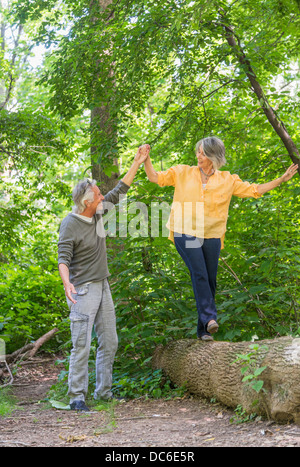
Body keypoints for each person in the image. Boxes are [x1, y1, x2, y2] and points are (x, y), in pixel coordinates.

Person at [142, 137, 298, 341]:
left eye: (202, 153)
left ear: (213, 156)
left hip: (212, 234)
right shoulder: (182, 172)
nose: (198, 156)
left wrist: (280, 180)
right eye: (198, 151)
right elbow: (155, 177)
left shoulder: (228, 180)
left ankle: (204, 331)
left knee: (210, 280)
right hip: (185, 230)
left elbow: (254, 190)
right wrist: (146, 159)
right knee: (199, 272)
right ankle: (210, 319)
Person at [58, 147, 148, 412]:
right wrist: (67, 284)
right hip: (83, 290)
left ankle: (104, 393)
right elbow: (63, 259)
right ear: (87, 202)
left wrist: (137, 162)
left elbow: (118, 191)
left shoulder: (97, 212)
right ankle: (77, 397)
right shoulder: (70, 224)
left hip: (103, 285)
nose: (101, 197)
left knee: (110, 341)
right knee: (82, 344)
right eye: (97, 195)